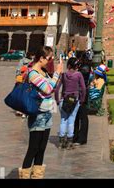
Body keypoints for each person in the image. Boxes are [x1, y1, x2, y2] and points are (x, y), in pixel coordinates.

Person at [19, 47, 63, 179]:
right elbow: (48, 88)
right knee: (33, 148)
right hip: (37, 113)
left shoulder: (44, 72)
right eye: (49, 58)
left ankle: (37, 176)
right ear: (41, 58)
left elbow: (53, 87)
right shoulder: (32, 73)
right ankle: (25, 176)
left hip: (47, 112)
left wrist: (55, 76)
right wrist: (57, 74)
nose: (50, 61)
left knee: (42, 148)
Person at [55, 57, 86, 149]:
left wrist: (57, 100)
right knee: (71, 120)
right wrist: (82, 99)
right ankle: (69, 142)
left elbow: (57, 89)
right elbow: (83, 88)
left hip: (64, 99)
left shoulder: (63, 75)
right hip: (74, 100)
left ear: (68, 65)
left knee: (63, 120)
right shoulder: (78, 75)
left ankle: (61, 142)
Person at [73, 55, 91, 146]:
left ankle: (78, 137)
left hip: (81, 92)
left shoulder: (82, 69)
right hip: (84, 92)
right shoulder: (87, 68)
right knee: (82, 116)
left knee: (79, 115)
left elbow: (81, 81)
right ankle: (80, 137)